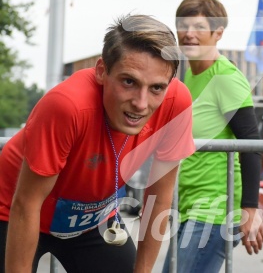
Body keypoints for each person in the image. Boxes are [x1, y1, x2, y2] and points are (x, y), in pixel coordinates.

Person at [0, 14, 195, 273]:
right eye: (129, 82)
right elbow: (26, 204)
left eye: (157, 88)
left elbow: (158, 198)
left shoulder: (176, 104)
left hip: (91, 220)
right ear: (102, 71)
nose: (141, 103)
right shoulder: (67, 106)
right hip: (13, 211)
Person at [162, 0, 263, 273]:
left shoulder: (226, 78)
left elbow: (251, 144)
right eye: (183, 26)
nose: (189, 34)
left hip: (215, 211)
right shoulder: (189, 76)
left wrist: (250, 210)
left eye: (198, 27)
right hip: (190, 206)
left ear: (217, 33)